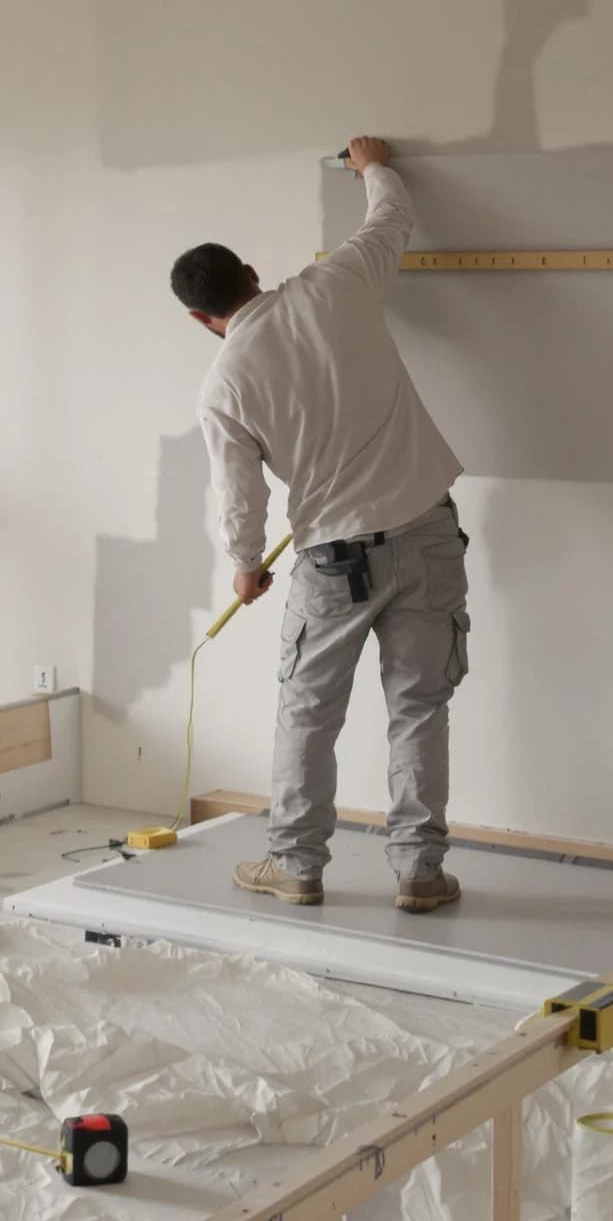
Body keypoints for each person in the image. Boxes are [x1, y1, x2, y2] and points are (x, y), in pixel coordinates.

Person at [169, 136, 468, 912]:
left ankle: (296, 867)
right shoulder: (336, 284)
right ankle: (421, 873)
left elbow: (241, 499)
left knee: (308, 715)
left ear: (203, 317)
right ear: (253, 275)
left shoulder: (223, 385)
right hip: (427, 531)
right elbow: (393, 217)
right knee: (420, 707)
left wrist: (243, 564)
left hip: (336, 560)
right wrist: (370, 165)